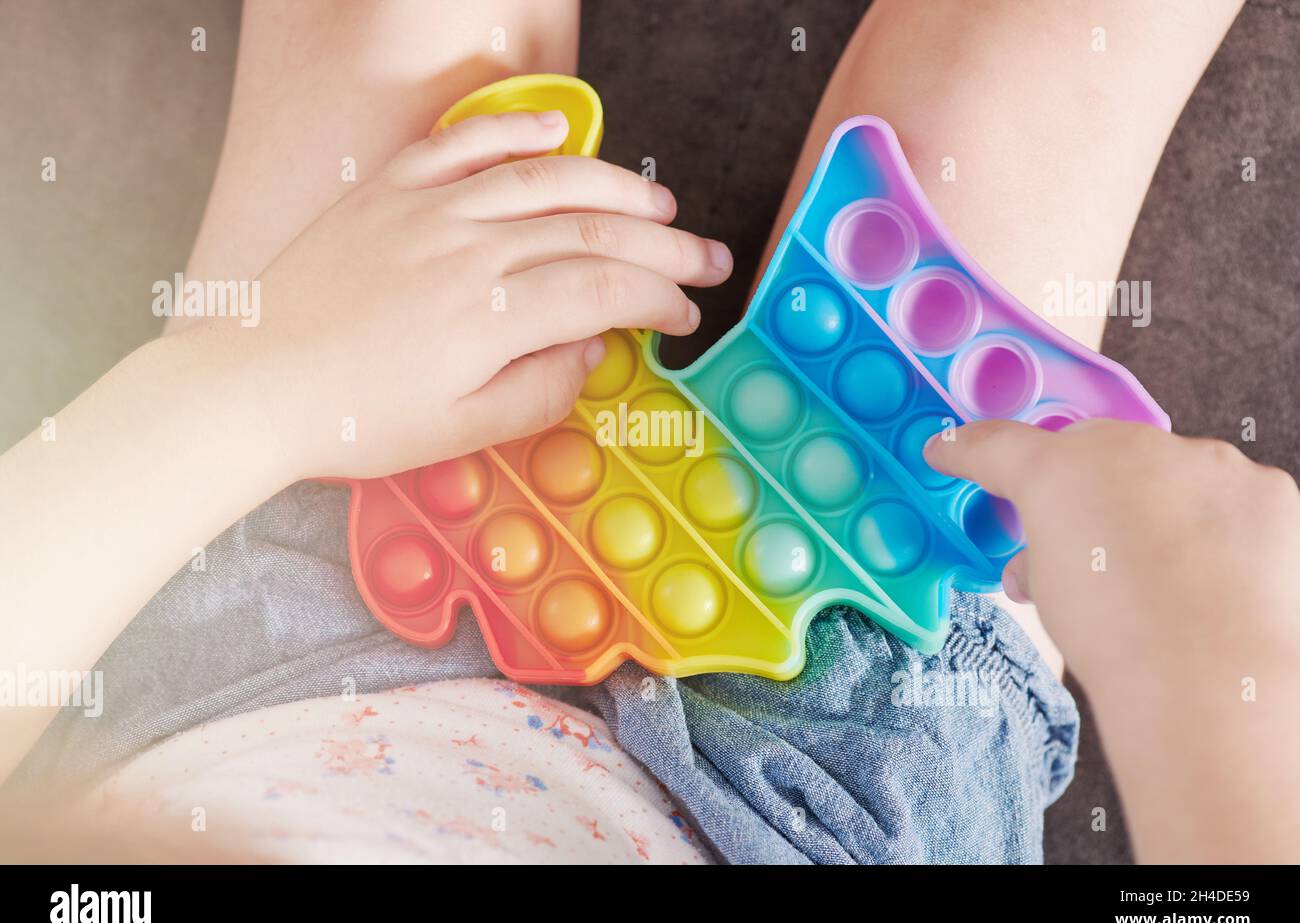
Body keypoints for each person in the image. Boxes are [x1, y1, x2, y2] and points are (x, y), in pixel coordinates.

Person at [5, 0, 1288, 863]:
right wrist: (1233, 704)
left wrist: (261, 375)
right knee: (1038, 66)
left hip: (257, 653)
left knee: (399, 53)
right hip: (836, 790)